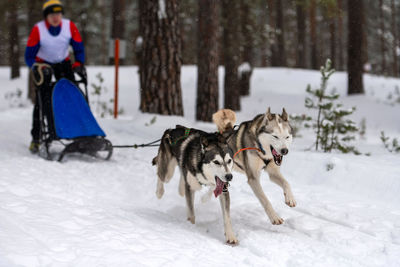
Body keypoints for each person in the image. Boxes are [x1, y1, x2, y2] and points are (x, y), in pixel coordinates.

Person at [25, 0, 87, 153]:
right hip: (43, 66)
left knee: (73, 96)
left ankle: (80, 133)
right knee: (43, 101)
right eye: (52, 14)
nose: (55, 17)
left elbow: (78, 47)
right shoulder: (38, 29)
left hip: (63, 65)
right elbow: (29, 56)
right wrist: (36, 67)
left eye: (58, 14)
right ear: (46, 16)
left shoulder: (69, 26)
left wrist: (79, 62)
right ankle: (37, 138)